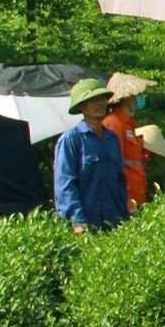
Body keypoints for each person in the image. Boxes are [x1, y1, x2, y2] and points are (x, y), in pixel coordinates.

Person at [53, 78, 130, 232]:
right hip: (84, 226)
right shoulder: (71, 139)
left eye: (102, 98)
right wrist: (77, 220)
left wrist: (124, 215)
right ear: (81, 106)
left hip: (113, 223)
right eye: (94, 100)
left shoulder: (112, 139)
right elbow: (64, 184)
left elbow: (120, 180)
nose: (100, 103)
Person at [101, 72, 156, 211]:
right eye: (135, 94)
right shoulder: (113, 123)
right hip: (126, 199)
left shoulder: (128, 122)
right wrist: (126, 201)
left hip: (138, 194)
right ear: (126, 98)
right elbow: (114, 164)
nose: (138, 97)